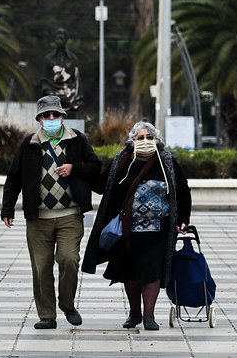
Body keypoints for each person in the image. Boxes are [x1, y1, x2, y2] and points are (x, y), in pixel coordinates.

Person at [1, 95, 102, 329]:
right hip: (38, 218)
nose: (51, 118)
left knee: (69, 259)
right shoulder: (29, 144)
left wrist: (74, 168)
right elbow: (14, 178)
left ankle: (67, 303)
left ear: (63, 116)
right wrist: (8, 208)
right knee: (41, 267)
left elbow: (95, 166)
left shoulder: (77, 140)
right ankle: (47, 315)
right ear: (39, 119)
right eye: (46, 115)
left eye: (55, 114)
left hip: (70, 214)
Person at [82, 121, 192, 331]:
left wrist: (182, 219)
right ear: (132, 141)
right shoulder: (122, 160)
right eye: (140, 138)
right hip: (127, 230)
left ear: (156, 140)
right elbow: (101, 185)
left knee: (151, 271)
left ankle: (149, 316)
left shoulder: (166, 160)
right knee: (130, 272)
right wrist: (83, 168)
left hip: (157, 230)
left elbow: (183, 190)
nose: (145, 142)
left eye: (149, 138)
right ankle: (135, 314)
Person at [39, 28, 82, 111]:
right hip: (53, 90)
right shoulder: (48, 59)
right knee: (50, 97)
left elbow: (77, 79)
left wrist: (74, 93)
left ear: (66, 40)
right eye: (57, 38)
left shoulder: (73, 59)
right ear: (55, 40)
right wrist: (47, 90)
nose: (59, 41)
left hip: (68, 91)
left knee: (72, 98)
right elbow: (44, 79)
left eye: (62, 38)